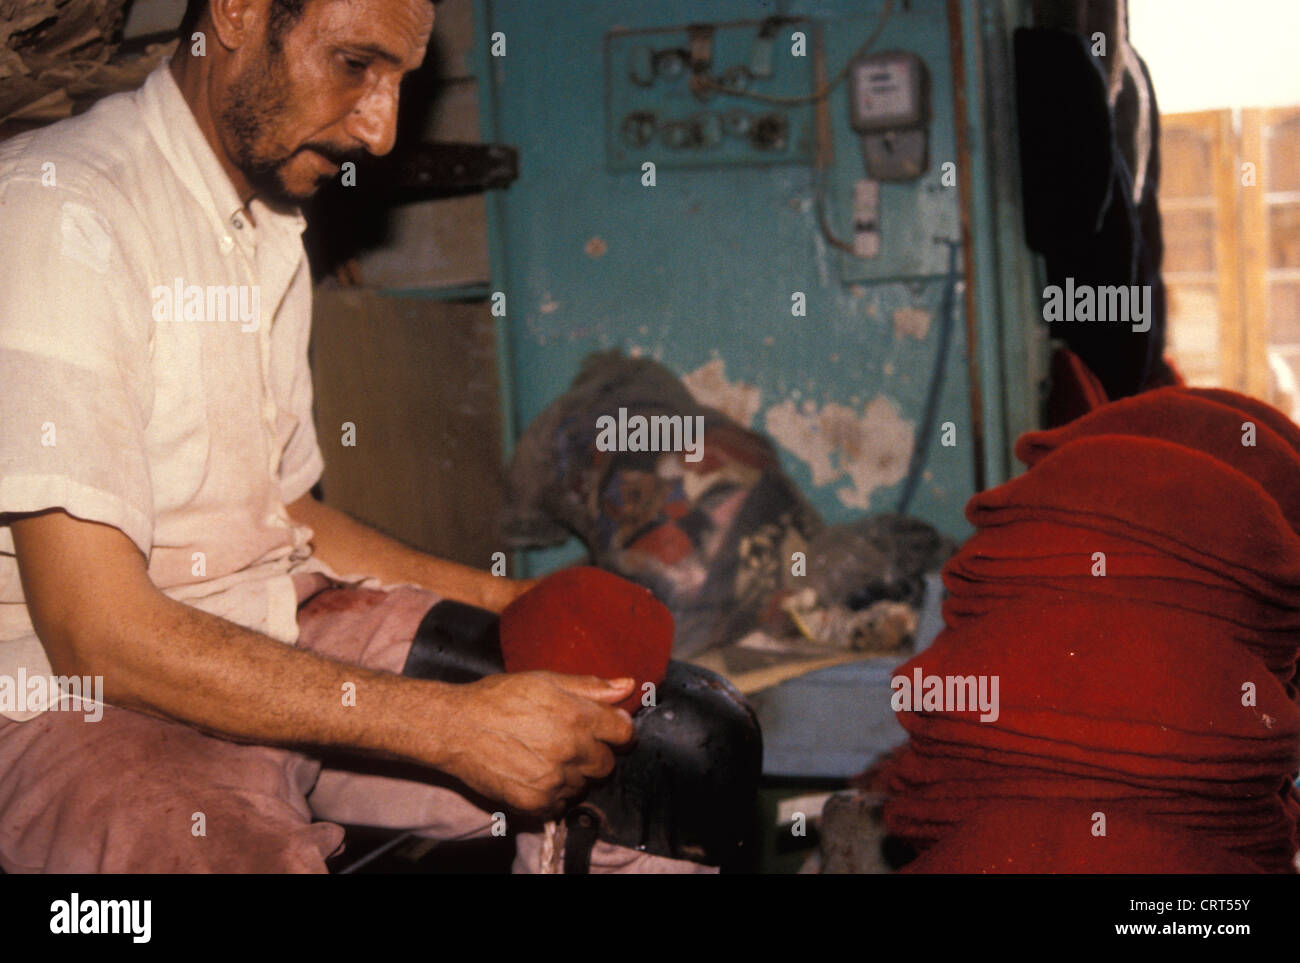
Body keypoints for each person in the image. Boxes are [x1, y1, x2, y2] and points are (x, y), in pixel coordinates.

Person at [0, 0, 702, 873]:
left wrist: (505, 602)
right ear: (239, 12)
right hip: (90, 696)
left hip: (277, 617)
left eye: (400, 82)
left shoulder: (265, 225)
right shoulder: (60, 214)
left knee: (678, 751)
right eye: (354, 66)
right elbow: (93, 634)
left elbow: (286, 510)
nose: (380, 130)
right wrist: (452, 727)